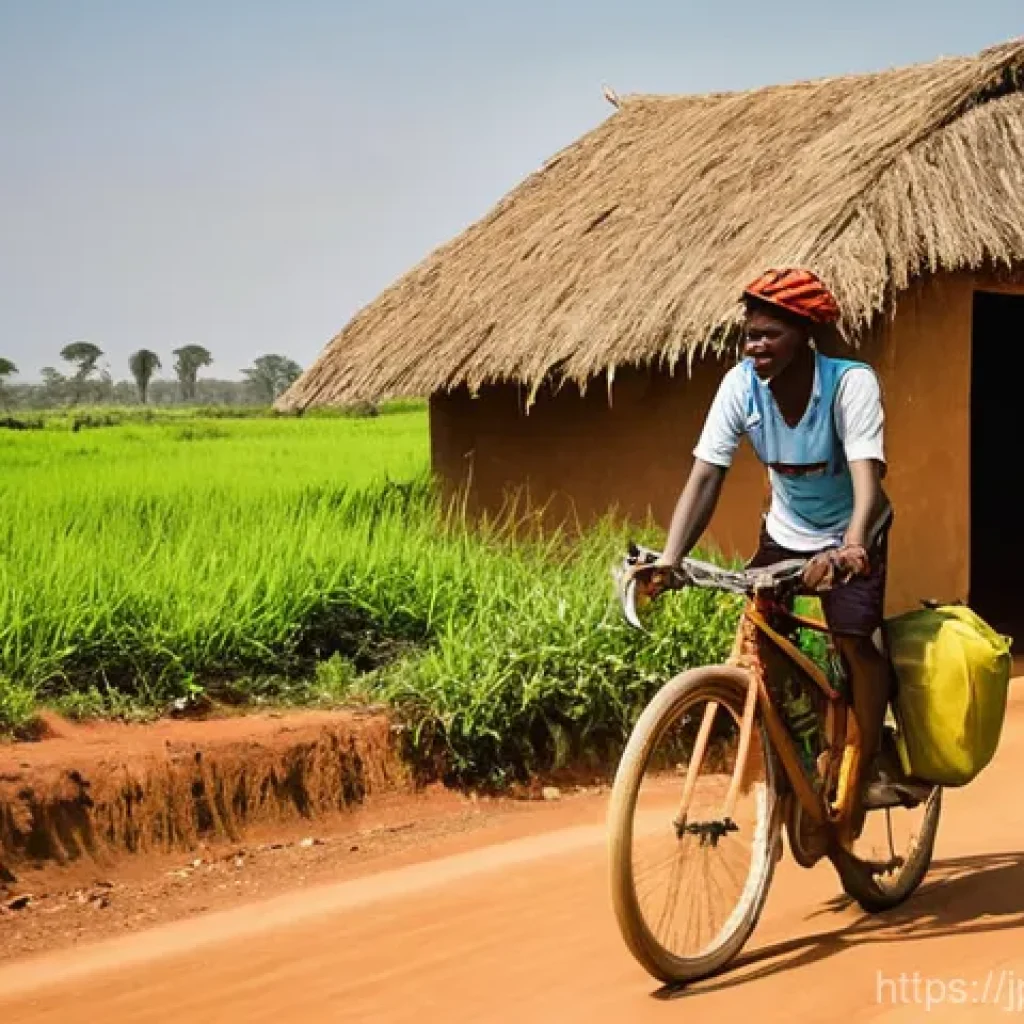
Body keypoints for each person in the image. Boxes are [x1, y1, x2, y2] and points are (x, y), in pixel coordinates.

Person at [638, 267, 927, 847]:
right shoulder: (740, 387)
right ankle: (804, 744)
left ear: (806, 335)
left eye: (770, 334)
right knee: (766, 640)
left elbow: (868, 479)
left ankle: (870, 758)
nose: (755, 346)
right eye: (749, 334)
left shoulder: (850, 384)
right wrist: (670, 558)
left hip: (853, 530)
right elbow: (704, 477)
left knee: (854, 639)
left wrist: (850, 548)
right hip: (786, 532)